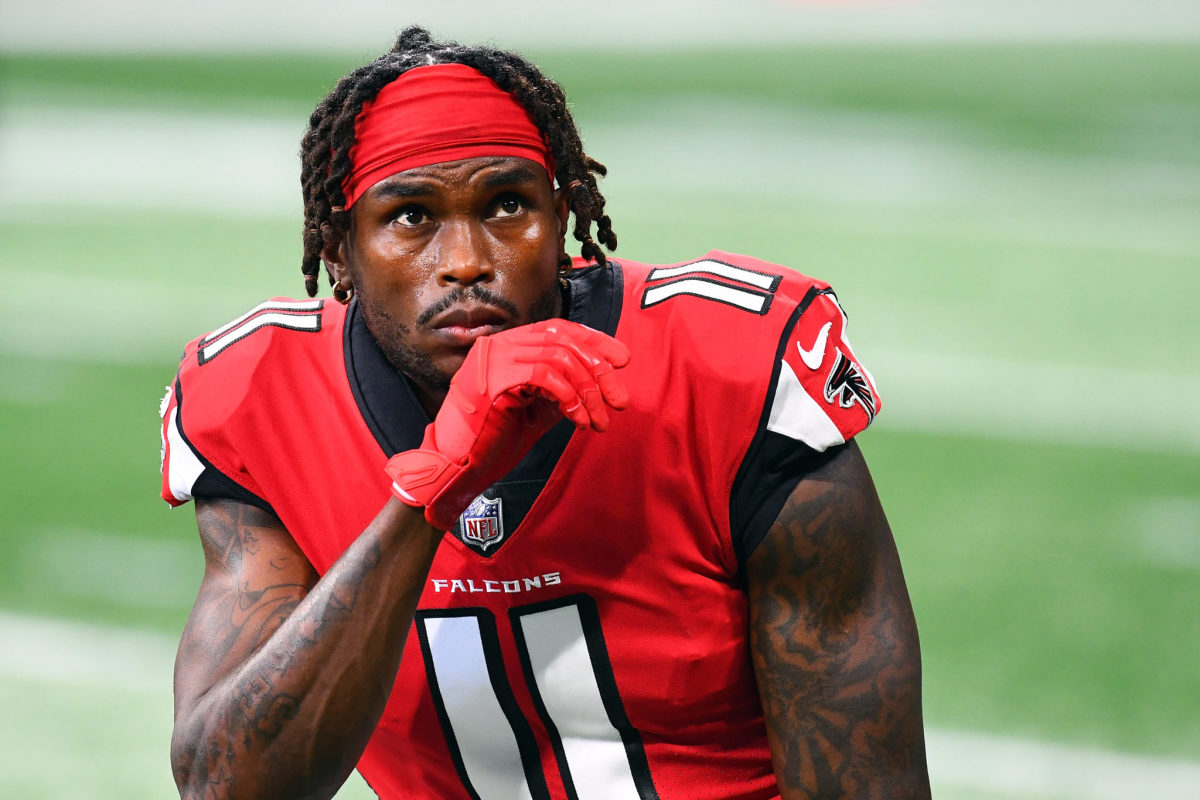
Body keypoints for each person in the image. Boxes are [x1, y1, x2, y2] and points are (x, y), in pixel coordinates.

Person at [159, 25, 930, 800]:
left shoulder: (728, 371)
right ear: (338, 247)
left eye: (506, 204)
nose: (465, 260)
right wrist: (429, 495)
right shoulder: (261, 396)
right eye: (410, 216)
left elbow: (865, 781)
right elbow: (227, 787)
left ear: (562, 218)